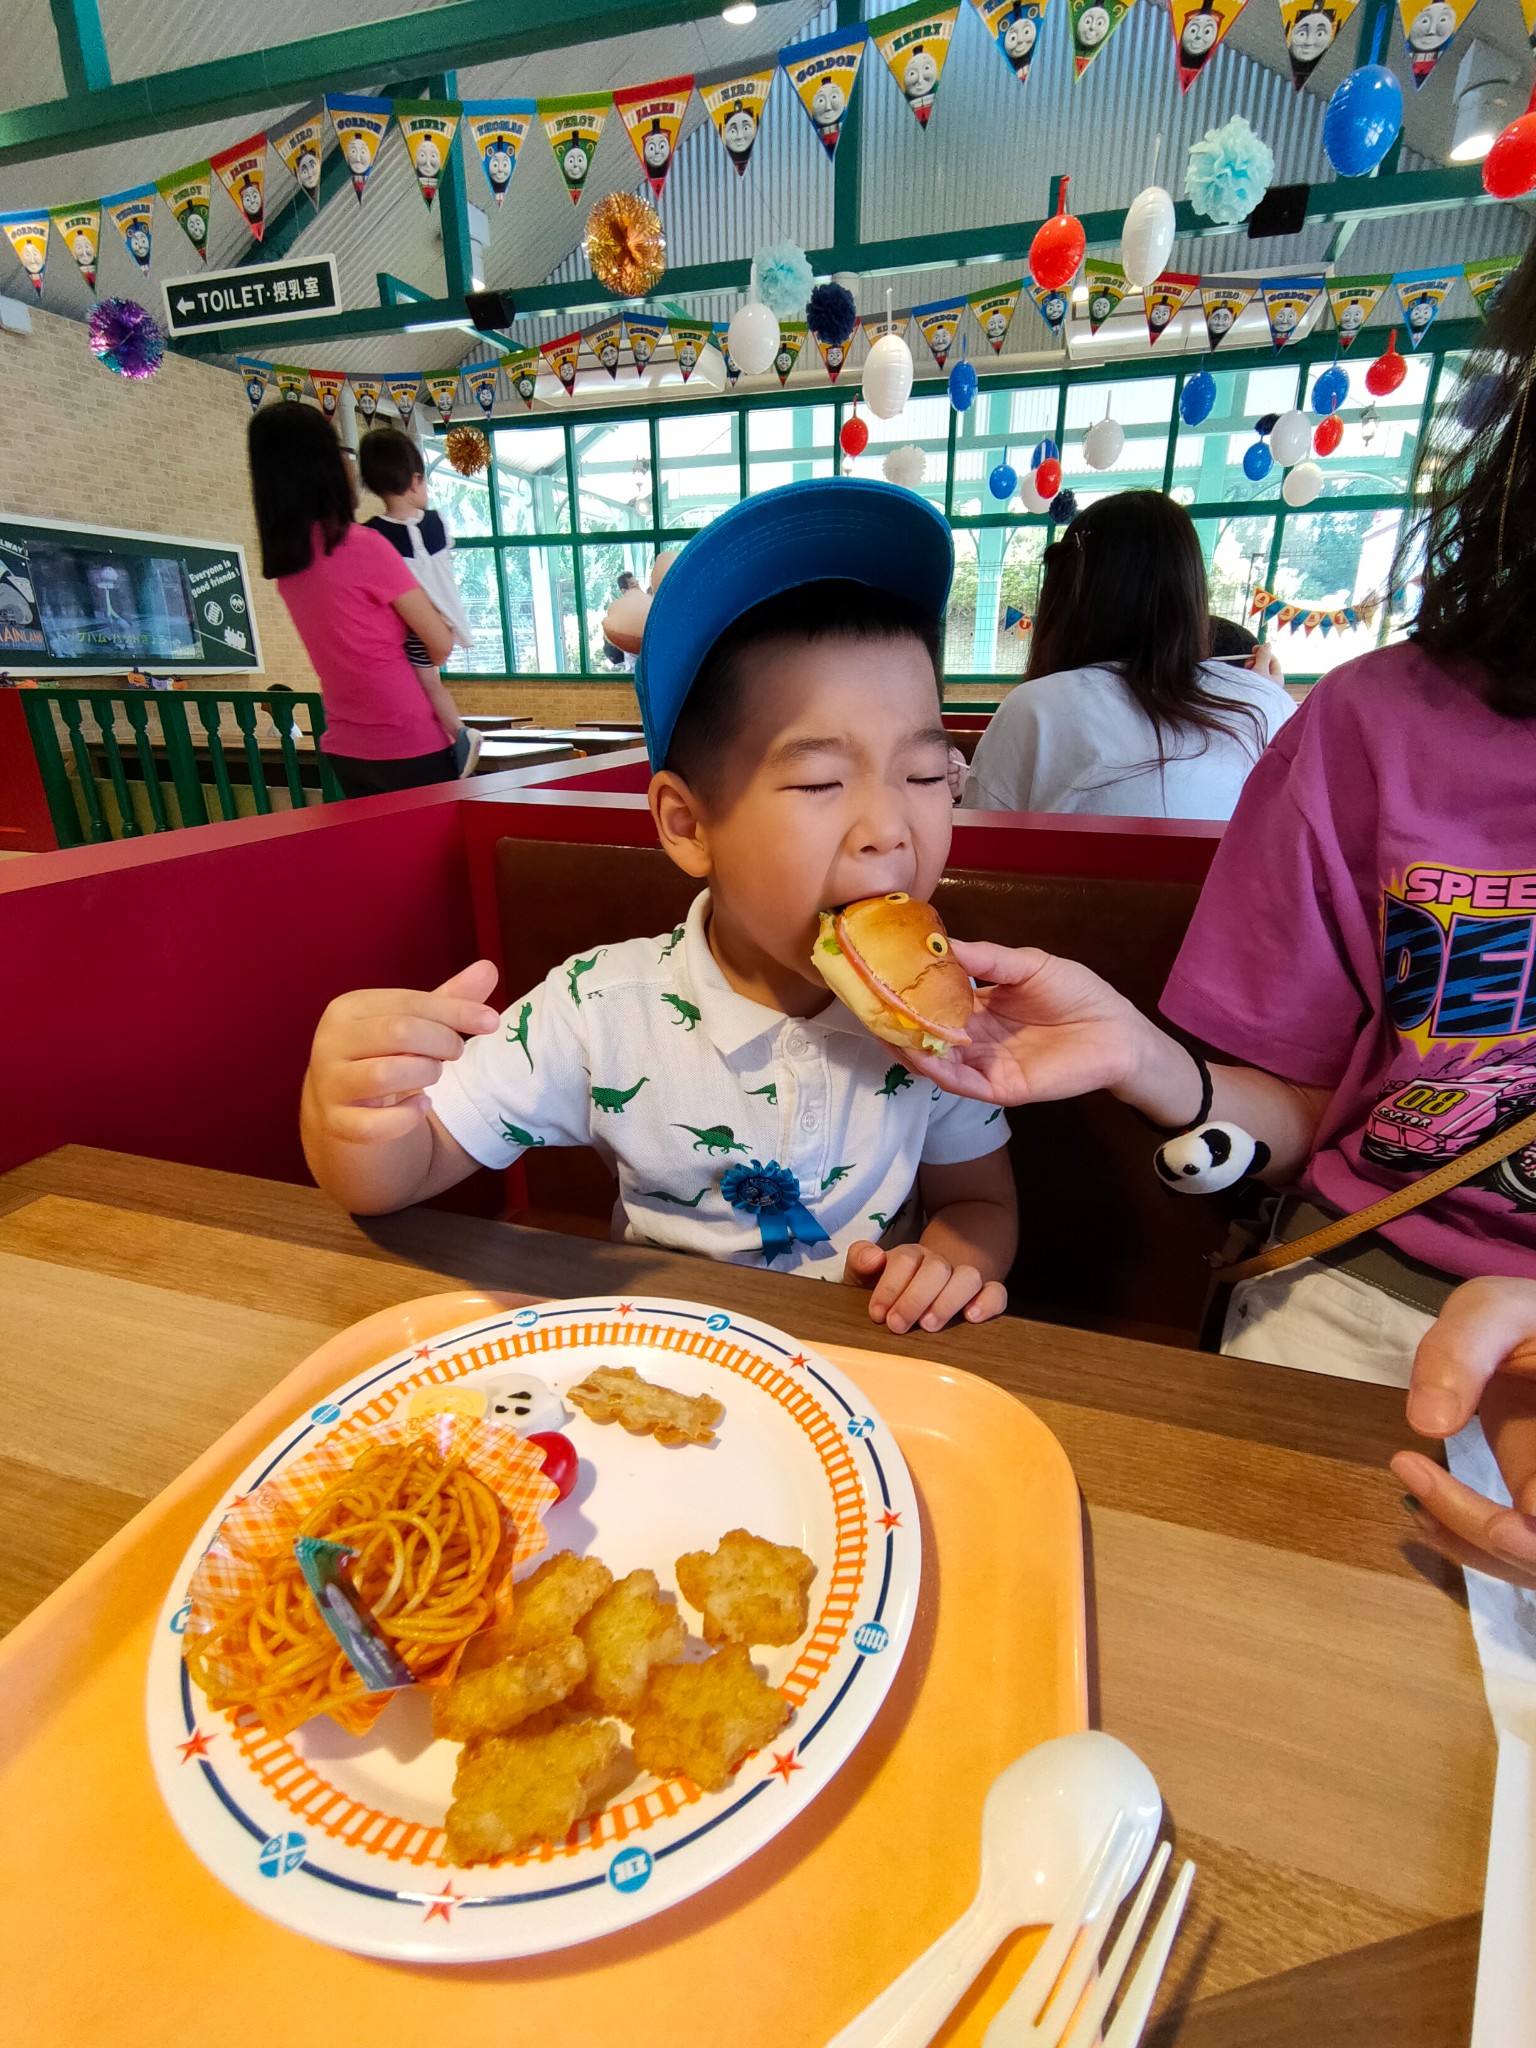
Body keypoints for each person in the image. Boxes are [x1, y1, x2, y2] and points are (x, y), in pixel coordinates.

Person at [901, 236, 1536, 1537]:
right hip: (1374, 1281)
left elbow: (991, 822)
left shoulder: (1039, 705)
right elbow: (1293, 1107)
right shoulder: (1346, 716)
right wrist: (1149, 1059)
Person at [301, 480, 1018, 1335]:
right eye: (821, 779)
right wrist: (351, 1119)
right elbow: (405, 1172)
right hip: (658, 1371)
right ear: (687, 825)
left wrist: (949, 1263)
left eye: (927, 774)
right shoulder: (596, 1007)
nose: (889, 828)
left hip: (866, 1365)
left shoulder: (941, 1010)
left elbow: (980, 1201)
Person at [964, 495, 1294, 819]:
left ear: (1072, 595)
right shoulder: (1269, 706)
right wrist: (1263, 694)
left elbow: (979, 840)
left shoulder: (1035, 707)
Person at [248, 403, 464, 799]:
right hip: (408, 737)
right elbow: (440, 643)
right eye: (343, 453)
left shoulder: (288, 564)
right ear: (325, 466)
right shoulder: (364, 546)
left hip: (347, 746)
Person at [357, 426, 481, 778]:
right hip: (445, 616)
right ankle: (455, 732)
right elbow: (443, 570)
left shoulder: (372, 535)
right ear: (414, 480)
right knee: (430, 681)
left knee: (428, 684)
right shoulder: (437, 523)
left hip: (413, 623)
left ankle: (458, 733)